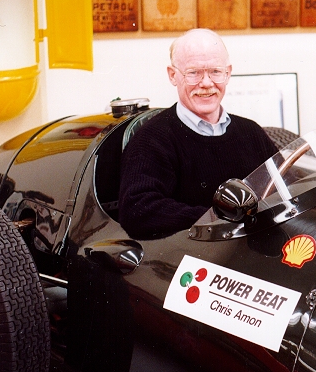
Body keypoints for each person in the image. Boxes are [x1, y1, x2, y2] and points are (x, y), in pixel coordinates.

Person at [118, 29, 278, 240]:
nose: (206, 83)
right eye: (193, 72)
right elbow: (138, 211)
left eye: (215, 72)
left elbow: (286, 187)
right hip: (196, 260)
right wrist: (216, 218)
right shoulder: (151, 139)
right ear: (173, 75)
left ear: (228, 73)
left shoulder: (251, 132)